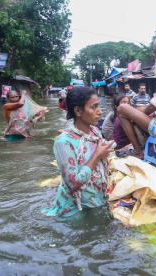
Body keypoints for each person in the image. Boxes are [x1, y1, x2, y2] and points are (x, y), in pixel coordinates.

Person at [42, 86, 115, 217]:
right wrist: (97, 155)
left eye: (99, 106)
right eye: (94, 107)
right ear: (78, 111)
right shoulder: (63, 143)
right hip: (74, 210)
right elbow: (73, 184)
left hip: (97, 201)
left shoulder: (95, 132)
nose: (100, 112)